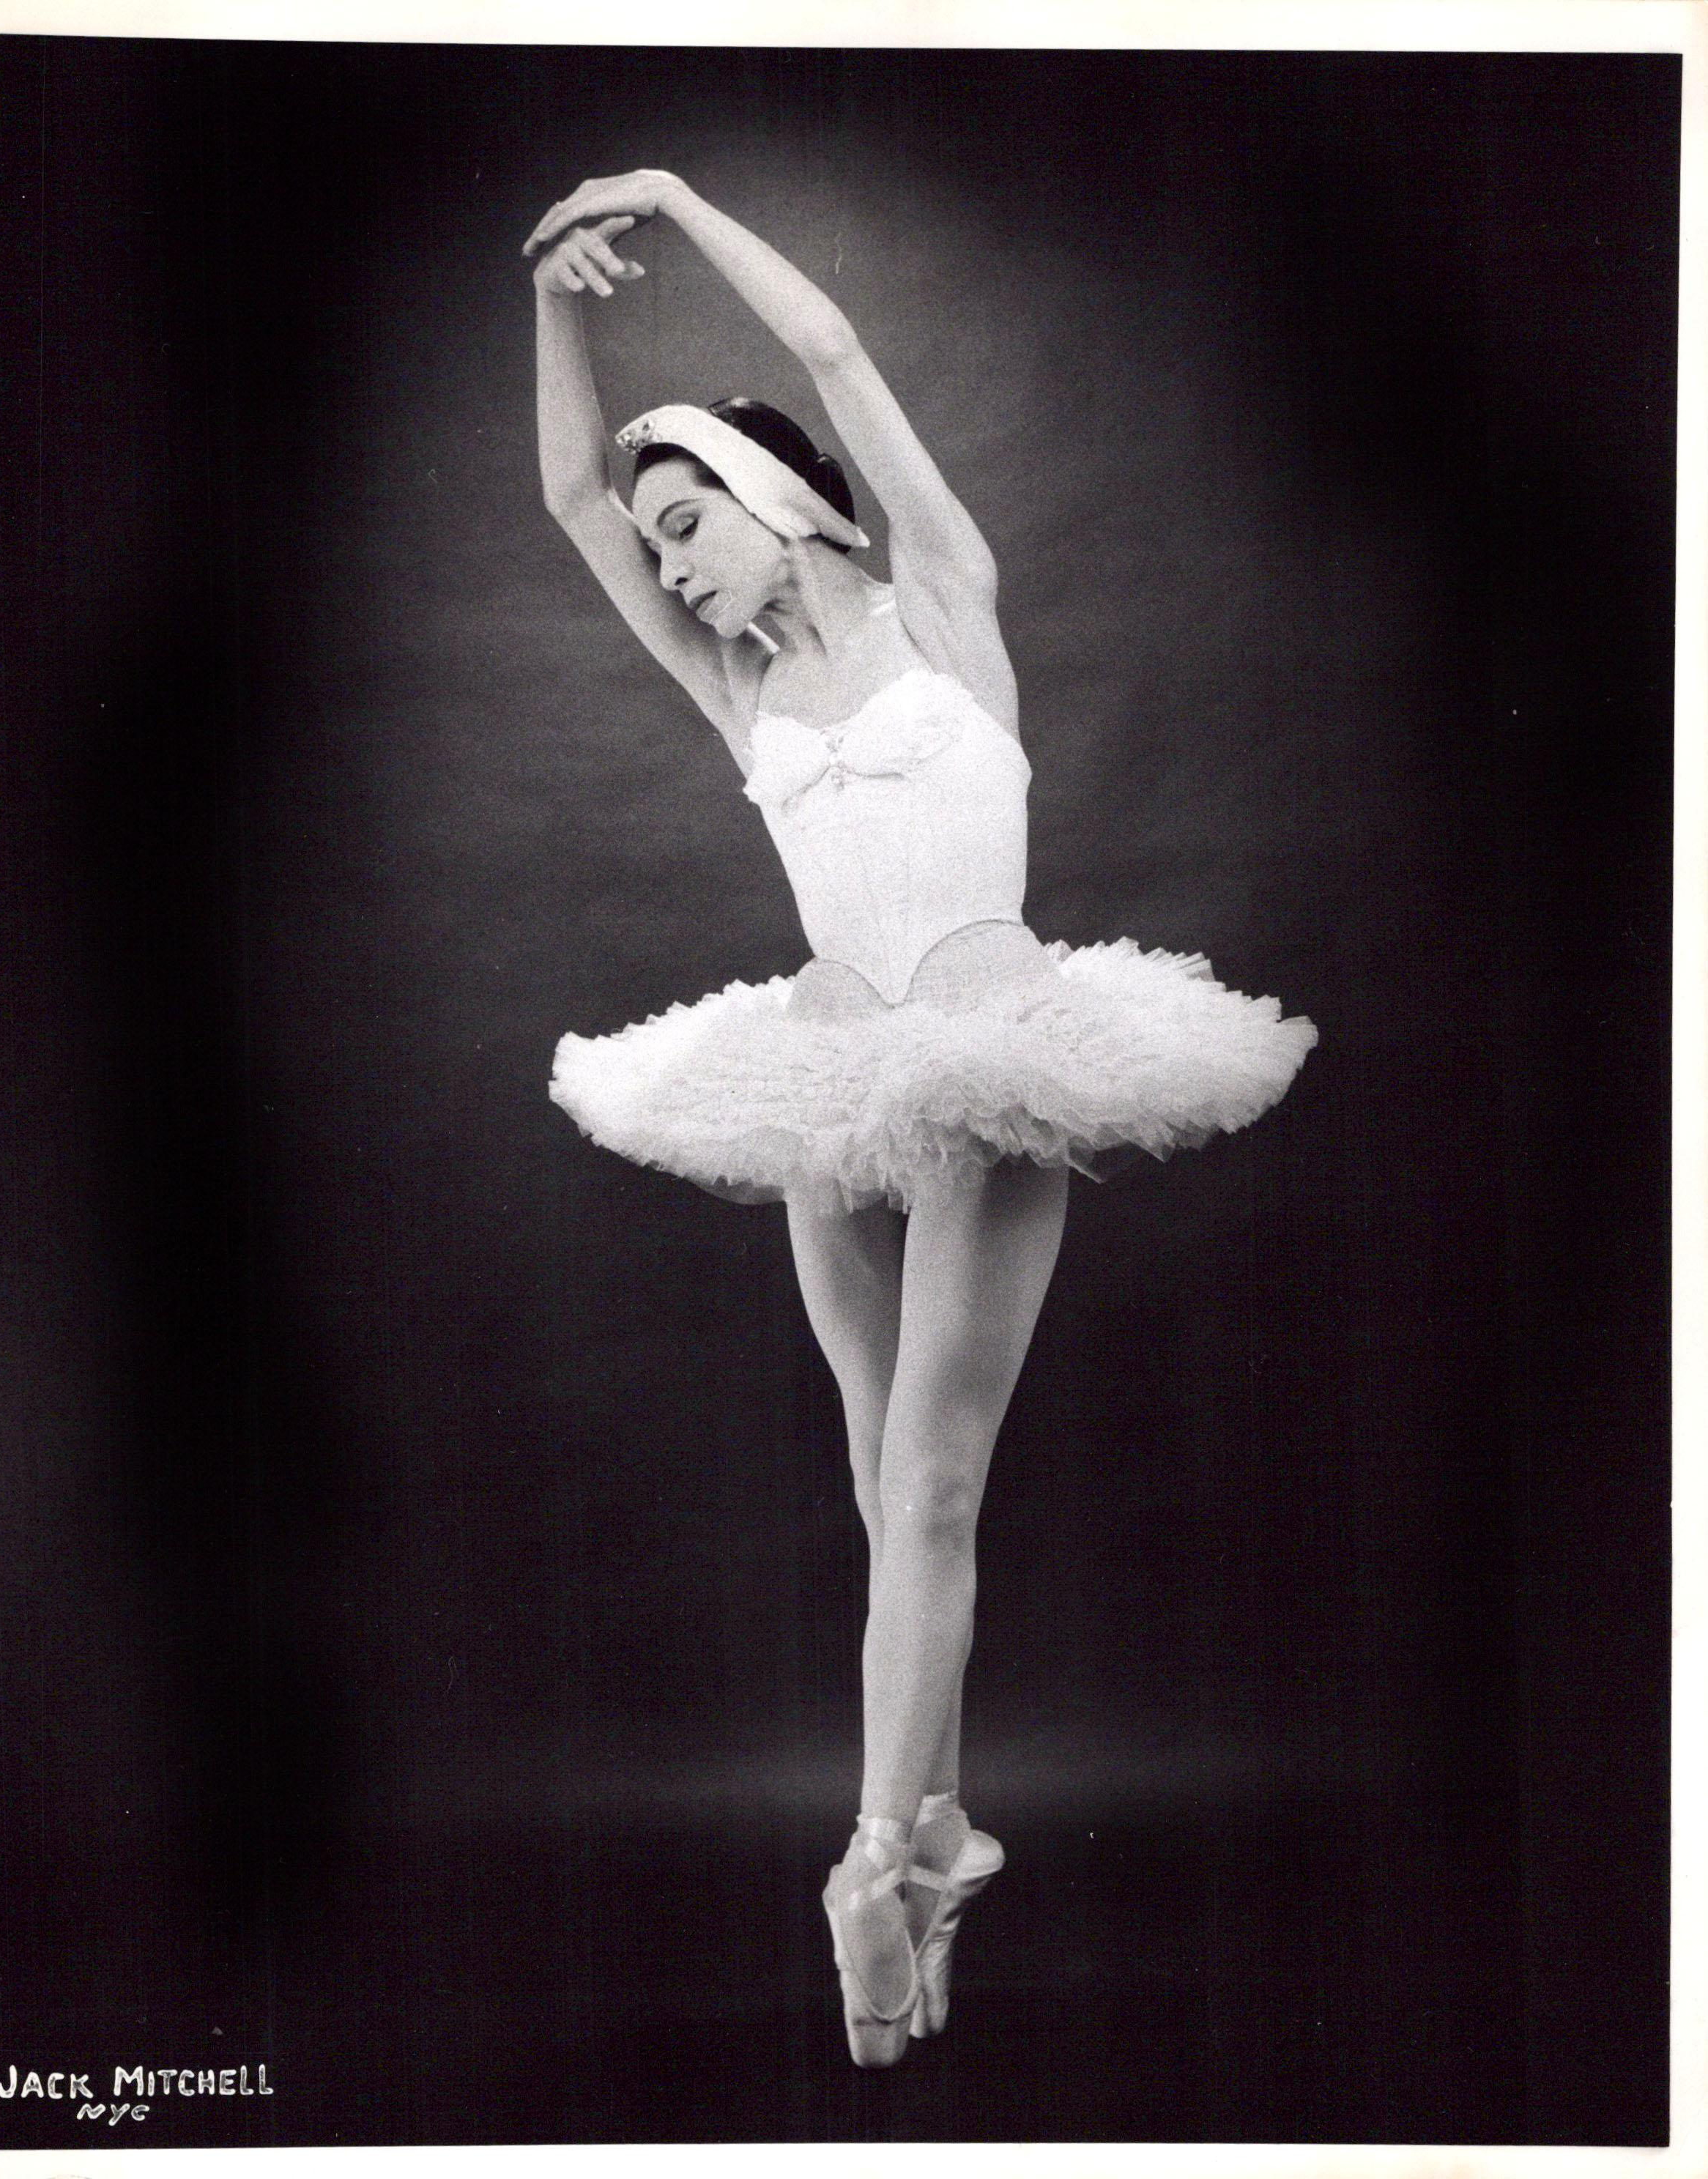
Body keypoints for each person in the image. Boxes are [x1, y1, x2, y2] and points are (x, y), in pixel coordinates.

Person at [523, 169, 1317, 2068]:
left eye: (691, 520)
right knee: (892, 1490)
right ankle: (938, 1833)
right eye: (662, 543)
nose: (676, 565)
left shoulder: (941, 602)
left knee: (935, 1486)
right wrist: (546, 297)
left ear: (770, 488)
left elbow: (833, 346)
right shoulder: (735, 692)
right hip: (818, 1084)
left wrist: (664, 200)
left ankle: (881, 1859)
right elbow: (566, 501)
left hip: (985, 1057)